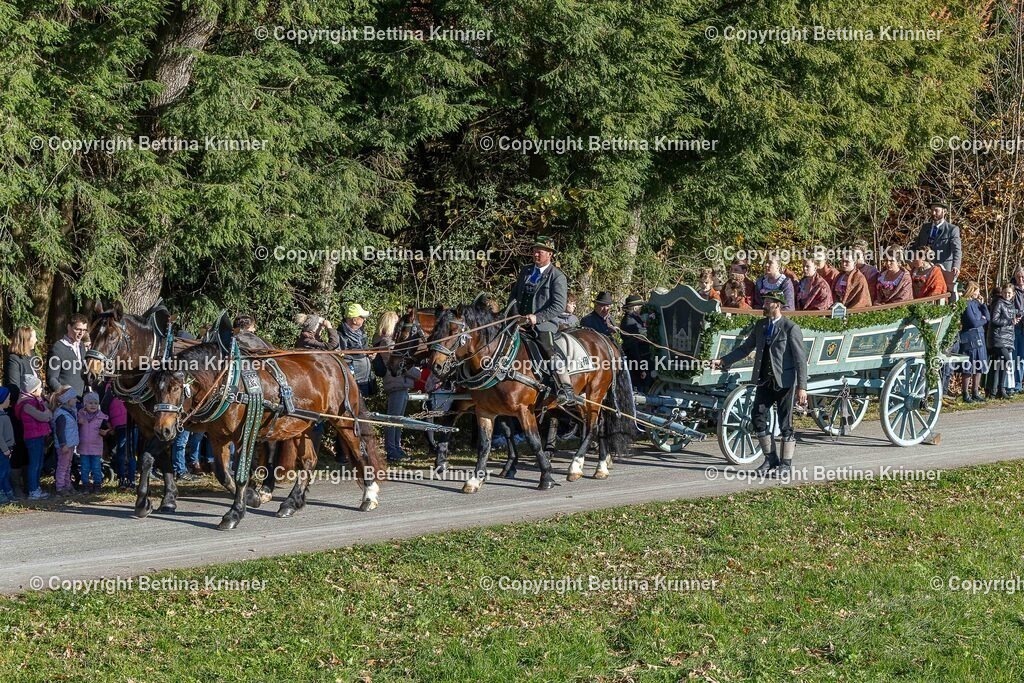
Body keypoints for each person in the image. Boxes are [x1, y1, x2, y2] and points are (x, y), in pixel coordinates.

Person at [712, 292, 808, 477]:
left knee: (785, 423)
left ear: (777, 305)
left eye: (768, 301)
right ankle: (771, 460)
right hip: (764, 381)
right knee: (757, 418)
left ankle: (786, 465)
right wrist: (723, 361)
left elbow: (800, 360)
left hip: (784, 383)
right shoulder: (761, 325)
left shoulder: (790, 328)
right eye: (764, 300)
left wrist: (802, 387)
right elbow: (745, 348)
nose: (764, 304)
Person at [508, 236, 574, 405]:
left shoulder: (557, 276)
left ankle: (565, 388)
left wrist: (537, 318)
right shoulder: (526, 271)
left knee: (548, 348)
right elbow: (514, 296)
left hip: (544, 324)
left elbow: (559, 305)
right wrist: (512, 314)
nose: (535, 254)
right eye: (534, 251)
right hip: (519, 321)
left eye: (540, 251)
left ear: (550, 254)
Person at [374, 312, 421, 464]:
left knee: (398, 419)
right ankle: (391, 449)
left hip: (400, 382)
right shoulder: (388, 343)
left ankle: (396, 447)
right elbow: (401, 365)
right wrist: (419, 375)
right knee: (394, 418)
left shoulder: (388, 342)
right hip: (396, 382)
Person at [14, 375, 50, 499]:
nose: (41, 390)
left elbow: (47, 414)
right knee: (34, 464)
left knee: (39, 463)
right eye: (40, 388)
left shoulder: (35, 401)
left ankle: (36, 487)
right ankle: (32, 490)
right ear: (33, 389)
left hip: (39, 435)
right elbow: (44, 416)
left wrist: (44, 408)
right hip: (32, 437)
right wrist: (45, 411)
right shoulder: (27, 404)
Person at [914, 200, 962, 279]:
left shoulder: (952, 229)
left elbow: (957, 250)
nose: (933, 213)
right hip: (924, 268)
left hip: (943, 269)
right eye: (932, 210)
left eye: (936, 210)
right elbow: (917, 246)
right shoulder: (925, 227)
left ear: (944, 211)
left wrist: (956, 266)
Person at [959, 281, 989, 403]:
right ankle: (965, 393)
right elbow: (973, 322)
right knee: (968, 367)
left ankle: (975, 392)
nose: (978, 293)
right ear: (972, 290)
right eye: (977, 291)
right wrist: (983, 320)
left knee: (980, 365)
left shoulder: (977, 303)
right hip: (969, 338)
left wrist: (983, 306)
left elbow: (988, 317)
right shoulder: (965, 303)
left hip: (980, 336)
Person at [988, 283, 1019, 400]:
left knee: (998, 364)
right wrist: (1009, 321)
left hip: (1007, 338)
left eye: (1009, 293)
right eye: (1005, 292)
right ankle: (1001, 388)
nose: (1007, 295)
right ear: (1002, 293)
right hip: (998, 337)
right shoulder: (999, 303)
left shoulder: (1011, 305)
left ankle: (994, 391)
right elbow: (994, 320)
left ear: (1013, 294)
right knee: (1007, 360)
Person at [46, 314, 88, 395]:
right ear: (69, 327)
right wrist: (66, 395)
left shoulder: (81, 346)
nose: (81, 333)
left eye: (84, 330)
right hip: (65, 402)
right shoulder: (58, 348)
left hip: (81, 400)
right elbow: (52, 379)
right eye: (78, 329)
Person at [339, 303, 375, 398]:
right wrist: (362, 354)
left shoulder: (361, 333)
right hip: (352, 382)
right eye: (362, 317)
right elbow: (342, 357)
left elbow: (364, 349)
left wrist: (369, 355)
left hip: (364, 378)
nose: (365, 319)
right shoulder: (340, 335)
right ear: (354, 320)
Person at [620, 294, 653, 393]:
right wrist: (641, 368)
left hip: (641, 360)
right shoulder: (629, 322)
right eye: (640, 307)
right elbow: (643, 336)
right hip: (637, 361)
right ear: (635, 308)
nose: (642, 309)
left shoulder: (635, 319)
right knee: (640, 389)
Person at [103, 380, 132, 489]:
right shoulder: (113, 385)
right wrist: (109, 424)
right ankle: (122, 477)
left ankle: (131, 478)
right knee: (122, 450)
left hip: (133, 422)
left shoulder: (135, 383)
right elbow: (104, 406)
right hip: (120, 423)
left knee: (131, 452)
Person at [77, 391, 109, 493]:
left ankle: (97, 484)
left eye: (95, 403)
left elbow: (109, 429)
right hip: (83, 447)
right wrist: (78, 422)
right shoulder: (80, 415)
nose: (93, 405)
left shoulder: (102, 416)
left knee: (96, 467)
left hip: (96, 447)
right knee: (84, 467)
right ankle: (85, 484)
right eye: (90, 403)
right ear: (85, 404)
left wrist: (106, 432)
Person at [51, 386, 79, 494]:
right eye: (74, 398)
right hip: (65, 445)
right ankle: (60, 486)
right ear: (68, 400)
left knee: (68, 465)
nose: (76, 400)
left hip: (70, 443)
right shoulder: (61, 414)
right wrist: (63, 444)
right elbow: (60, 431)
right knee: (63, 466)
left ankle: (67, 484)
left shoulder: (71, 411)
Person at [0, 387, 15, 504]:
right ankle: (1, 493)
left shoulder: (4, 414)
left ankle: (8, 492)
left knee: (6, 472)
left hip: (7, 449)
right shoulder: (0, 417)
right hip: (2, 450)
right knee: (2, 472)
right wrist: (5, 449)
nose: (9, 401)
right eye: (8, 399)